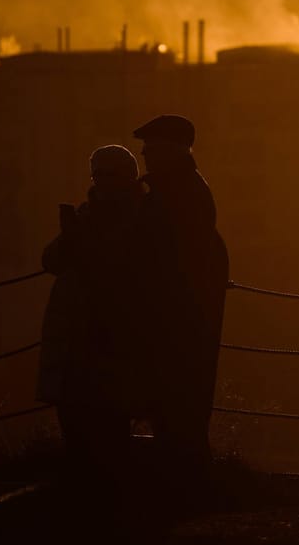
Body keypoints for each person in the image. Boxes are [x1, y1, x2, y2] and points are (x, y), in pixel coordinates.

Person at [130, 114, 229, 492]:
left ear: (171, 150)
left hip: (175, 318)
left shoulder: (176, 196)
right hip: (179, 316)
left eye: (151, 148)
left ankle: (183, 483)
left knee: (175, 399)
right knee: (176, 401)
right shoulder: (180, 190)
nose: (144, 154)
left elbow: (159, 255)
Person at [38, 145, 143, 485]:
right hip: (75, 336)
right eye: (97, 174)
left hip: (108, 337)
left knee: (108, 420)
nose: (101, 181)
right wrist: (72, 235)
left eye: (108, 174)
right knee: (74, 417)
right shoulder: (89, 214)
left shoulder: (138, 217)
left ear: (128, 177)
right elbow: (52, 260)